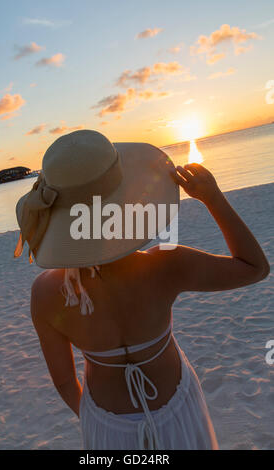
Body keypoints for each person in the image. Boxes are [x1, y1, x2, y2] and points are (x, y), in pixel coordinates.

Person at [14, 130, 269, 450]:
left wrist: (103, 426)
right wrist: (212, 197)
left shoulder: (46, 292)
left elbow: (65, 381)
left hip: (107, 426)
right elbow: (254, 267)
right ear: (125, 204)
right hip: (178, 412)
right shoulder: (164, 266)